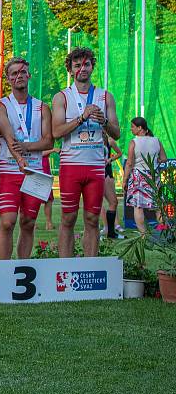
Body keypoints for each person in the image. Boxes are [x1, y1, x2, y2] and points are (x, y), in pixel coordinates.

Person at [52, 47, 120, 257]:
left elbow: (116, 133)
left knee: (92, 219)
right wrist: (82, 118)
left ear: (92, 66)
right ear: (70, 70)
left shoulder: (105, 96)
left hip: (95, 167)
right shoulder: (62, 97)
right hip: (71, 166)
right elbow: (56, 132)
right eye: (77, 65)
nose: (83, 69)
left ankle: (89, 269)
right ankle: (66, 270)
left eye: (87, 64)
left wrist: (104, 121)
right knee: (68, 218)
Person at [0, 57, 53, 259]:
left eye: (22, 72)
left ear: (29, 75)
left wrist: (26, 146)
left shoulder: (42, 107)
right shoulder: (0, 106)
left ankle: (22, 266)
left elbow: (48, 142)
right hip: (11, 170)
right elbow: (9, 136)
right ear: (8, 79)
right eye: (14, 73)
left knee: (28, 223)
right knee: (8, 221)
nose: (19, 76)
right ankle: (4, 268)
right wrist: (19, 157)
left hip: (35, 171)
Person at [122, 117, 166, 235]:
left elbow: (130, 163)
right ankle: (165, 233)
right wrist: (155, 161)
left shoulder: (134, 142)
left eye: (132, 126)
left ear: (140, 128)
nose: (131, 129)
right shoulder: (157, 140)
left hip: (138, 177)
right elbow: (164, 159)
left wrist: (124, 180)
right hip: (153, 175)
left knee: (138, 207)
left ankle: (143, 235)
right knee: (158, 206)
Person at [102, 133, 123, 239]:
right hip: (96, 172)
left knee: (113, 202)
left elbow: (119, 153)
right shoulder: (90, 139)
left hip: (106, 172)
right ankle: (107, 229)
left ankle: (111, 230)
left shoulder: (109, 140)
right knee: (99, 202)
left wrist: (110, 159)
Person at [41, 145, 60, 231]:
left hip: (45, 169)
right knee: (36, 198)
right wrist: (53, 150)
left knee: (48, 199)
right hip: (40, 169)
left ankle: (49, 223)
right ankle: (48, 223)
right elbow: (40, 153)